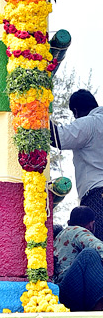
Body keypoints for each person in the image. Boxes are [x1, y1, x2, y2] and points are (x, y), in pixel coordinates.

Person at [51, 89, 103, 238]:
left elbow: (57, 137)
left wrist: (35, 113)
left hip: (97, 195)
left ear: (76, 111)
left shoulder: (90, 123)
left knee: (96, 249)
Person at [54, 205, 103, 311]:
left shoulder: (59, 236)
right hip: (70, 290)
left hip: (64, 291)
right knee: (89, 254)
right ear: (91, 225)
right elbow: (100, 248)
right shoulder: (77, 231)